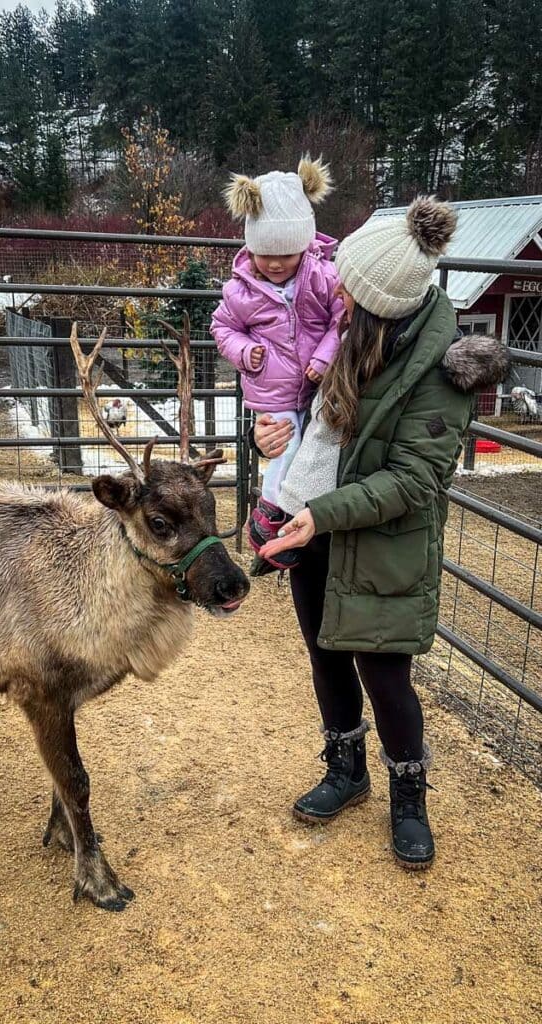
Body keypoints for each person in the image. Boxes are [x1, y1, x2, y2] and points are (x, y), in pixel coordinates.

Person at [253, 196, 509, 869]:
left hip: (384, 540)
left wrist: (320, 515)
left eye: (347, 286)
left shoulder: (444, 373)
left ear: (377, 302)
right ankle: (347, 768)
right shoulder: (344, 339)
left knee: (385, 675)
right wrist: (275, 439)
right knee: (324, 654)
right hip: (319, 525)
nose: (332, 289)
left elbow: (413, 480)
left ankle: (408, 793)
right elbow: (312, 430)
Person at [210, 156, 344, 572]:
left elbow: (342, 320)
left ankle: (293, 516)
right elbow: (222, 327)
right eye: (263, 253)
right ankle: (271, 512)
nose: (273, 264)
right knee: (285, 447)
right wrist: (245, 352)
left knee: (316, 450)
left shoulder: (323, 277)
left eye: (285, 253)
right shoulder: (241, 290)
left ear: (304, 244)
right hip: (274, 390)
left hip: (319, 384)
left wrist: (324, 357)